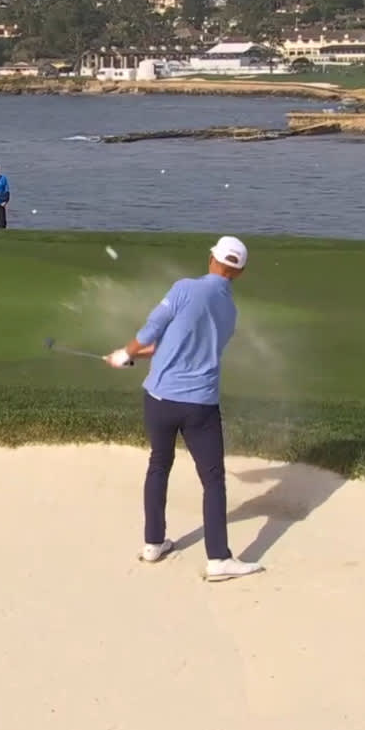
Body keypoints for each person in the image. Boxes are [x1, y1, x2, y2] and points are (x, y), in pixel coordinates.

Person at [105, 236, 264, 583]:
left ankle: (153, 543)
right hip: (200, 406)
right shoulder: (230, 313)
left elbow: (153, 332)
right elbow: (179, 344)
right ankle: (218, 558)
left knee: (159, 465)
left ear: (212, 259)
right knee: (213, 480)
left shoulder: (184, 288)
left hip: (159, 399)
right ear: (239, 272)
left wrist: (127, 353)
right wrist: (131, 352)